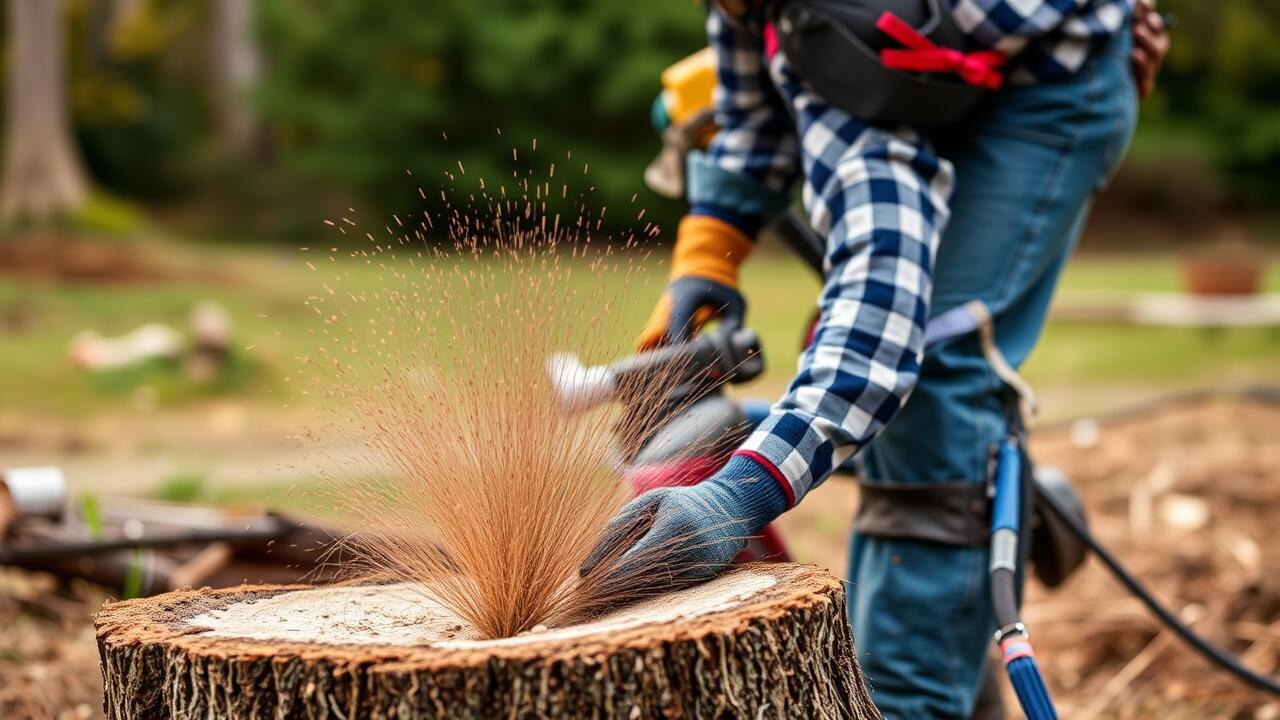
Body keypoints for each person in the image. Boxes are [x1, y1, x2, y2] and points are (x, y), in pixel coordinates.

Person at [583, 0, 1170, 717]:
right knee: (879, 367)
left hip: (1049, 89)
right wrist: (710, 251)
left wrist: (740, 495)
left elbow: (882, 324)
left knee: (937, 357)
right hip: (947, 58)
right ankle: (961, 653)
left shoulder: (849, 18)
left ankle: (908, 697)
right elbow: (751, 105)